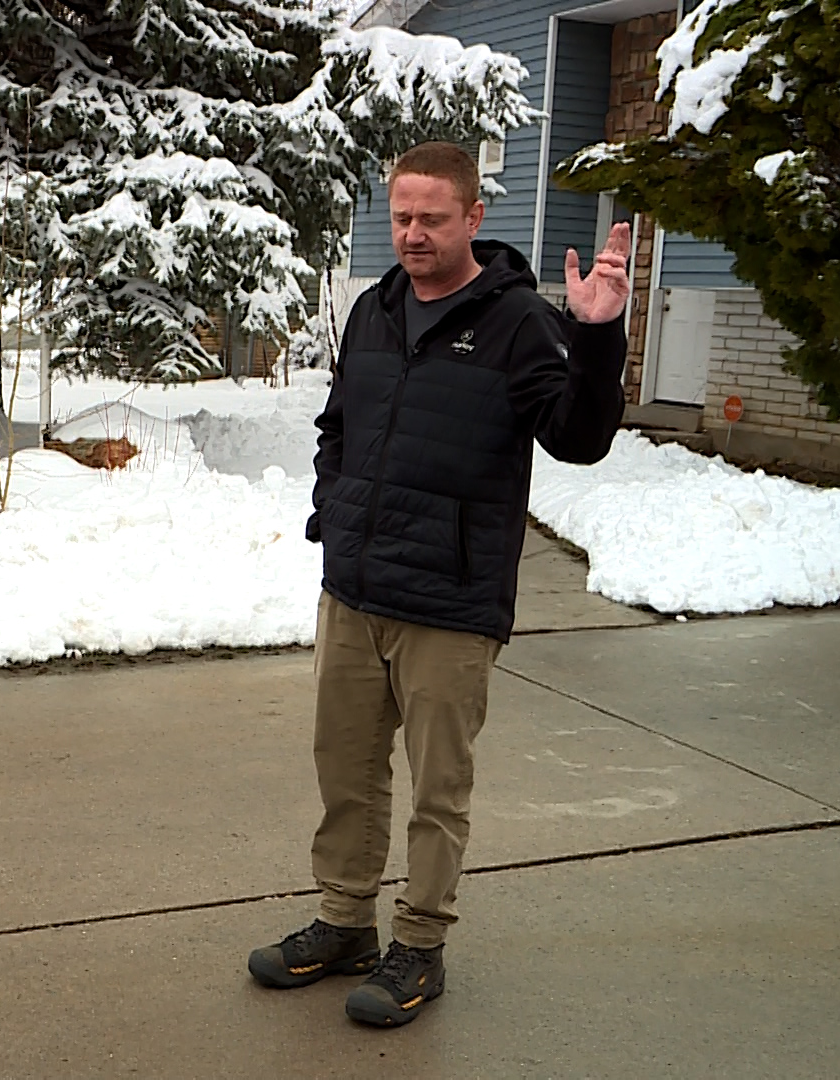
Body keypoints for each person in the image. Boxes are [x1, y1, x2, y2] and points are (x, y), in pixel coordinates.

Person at [246, 141, 632, 1026]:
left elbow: (577, 439)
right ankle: (345, 922)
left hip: (451, 603)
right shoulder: (376, 308)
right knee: (345, 771)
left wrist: (597, 336)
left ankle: (418, 945)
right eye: (402, 216)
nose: (414, 233)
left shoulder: (518, 321)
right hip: (356, 590)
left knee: (437, 791)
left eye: (433, 218)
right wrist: (334, 511)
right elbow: (339, 426)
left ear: (473, 217)